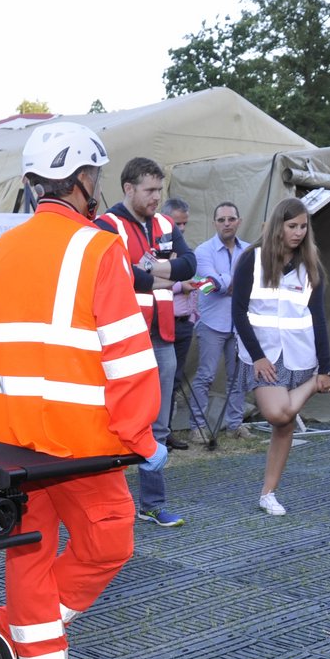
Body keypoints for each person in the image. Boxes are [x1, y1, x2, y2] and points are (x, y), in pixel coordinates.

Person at [0, 123, 163, 659]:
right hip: (82, 445)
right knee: (109, 539)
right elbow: (128, 359)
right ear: (80, 180)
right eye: (96, 176)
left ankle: (34, 658)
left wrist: (4, 416)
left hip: (13, 440)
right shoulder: (102, 250)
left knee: (30, 552)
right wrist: (139, 437)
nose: (97, 187)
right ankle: (27, 647)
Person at [95, 156, 194, 527]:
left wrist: (152, 270)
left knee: (158, 426)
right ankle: (108, 505)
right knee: (112, 424)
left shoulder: (166, 223)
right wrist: (163, 275)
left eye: (160, 190)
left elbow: (190, 265)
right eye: (150, 190)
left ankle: (152, 503)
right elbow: (123, 276)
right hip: (121, 338)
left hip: (161, 337)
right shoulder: (107, 224)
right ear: (129, 189)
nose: (157, 197)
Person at [231, 198, 330, 516]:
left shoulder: (311, 265)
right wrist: (258, 357)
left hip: (300, 356)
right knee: (278, 414)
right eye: (292, 226)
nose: (298, 233)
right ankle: (315, 386)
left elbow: (318, 317)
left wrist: (326, 366)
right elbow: (238, 312)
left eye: (303, 227)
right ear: (278, 225)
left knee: (285, 425)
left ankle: (269, 493)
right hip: (262, 355)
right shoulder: (253, 258)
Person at [187, 201, 253, 443]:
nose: (227, 223)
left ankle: (235, 424)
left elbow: (252, 285)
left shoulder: (248, 251)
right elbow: (204, 286)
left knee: (237, 377)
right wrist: (232, 282)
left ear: (239, 221)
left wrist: (223, 283)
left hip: (239, 324)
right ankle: (198, 427)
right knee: (205, 375)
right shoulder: (203, 251)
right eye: (222, 219)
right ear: (215, 223)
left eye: (231, 219)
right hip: (212, 323)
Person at [160, 198, 196, 449]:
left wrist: (194, 315)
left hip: (183, 323)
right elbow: (145, 279)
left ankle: (166, 430)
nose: (181, 229)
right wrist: (178, 286)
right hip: (162, 323)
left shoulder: (184, 252)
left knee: (174, 379)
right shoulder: (155, 249)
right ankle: (153, 433)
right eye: (177, 223)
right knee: (157, 378)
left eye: (184, 224)